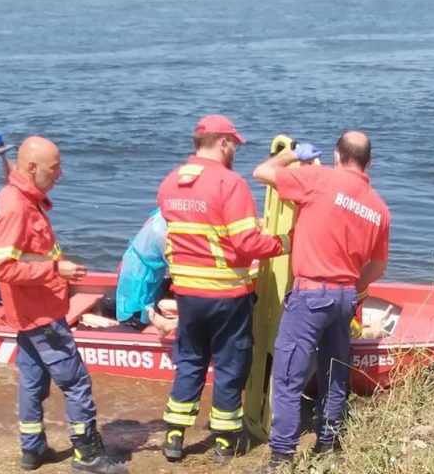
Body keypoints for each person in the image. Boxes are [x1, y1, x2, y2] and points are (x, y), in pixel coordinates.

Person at [251, 131, 391, 469]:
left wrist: (293, 154)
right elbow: (378, 267)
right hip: (344, 298)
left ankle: (281, 457)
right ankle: (327, 445)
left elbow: (262, 172)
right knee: (334, 373)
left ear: (336, 156)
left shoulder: (319, 179)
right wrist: (350, 285)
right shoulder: (379, 208)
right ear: (368, 162)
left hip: (311, 294)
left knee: (287, 377)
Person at [156, 115, 289, 463]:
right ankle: (225, 442)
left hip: (186, 293)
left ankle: (173, 435)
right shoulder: (230, 184)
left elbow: (196, 232)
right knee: (231, 365)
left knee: (190, 360)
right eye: (235, 145)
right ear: (224, 143)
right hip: (227, 294)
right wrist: (284, 242)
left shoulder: (170, 183)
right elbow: (246, 242)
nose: (236, 152)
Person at [0, 136, 126, 473]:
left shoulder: (17, 198)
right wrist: (55, 269)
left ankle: (32, 449)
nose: (60, 174)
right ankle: (87, 455)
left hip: (28, 313)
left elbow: (17, 251)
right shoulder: (16, 206)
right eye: (55, 168)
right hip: (40, 315)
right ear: (32, 168)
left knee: (33, 381)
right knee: (77, 382)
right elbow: (2, 268)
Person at [113, 208, 174, 333]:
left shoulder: (163, 212)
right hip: (140, 283)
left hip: (135, 267)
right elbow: (180, 267)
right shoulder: (165, 233)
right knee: (136, 321)